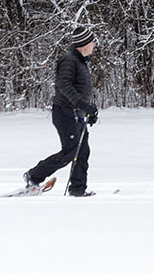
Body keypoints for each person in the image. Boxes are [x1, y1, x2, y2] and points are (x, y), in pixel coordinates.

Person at [24, 25, 100, 197]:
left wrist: (88, 111)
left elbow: (78, 88)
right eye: (92, 42)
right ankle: (34, 176)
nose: (95, 45)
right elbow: (64, 85)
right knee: (70, 152)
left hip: (76, 114)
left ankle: (78, 189)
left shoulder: (80, 61)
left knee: (82, 152)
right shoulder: (69, 59)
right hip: (65, 113)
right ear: (84, 44)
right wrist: (83, 105)